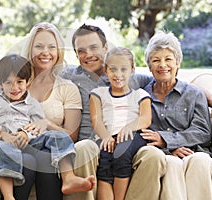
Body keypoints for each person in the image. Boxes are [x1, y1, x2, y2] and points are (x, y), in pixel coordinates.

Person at [61, 24, 166, 200]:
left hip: (127, 141)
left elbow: (166, 80)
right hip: (91, 143)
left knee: (152, 155)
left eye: (94, 47)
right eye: (81, 50)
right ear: (76, 53)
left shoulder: (128, 74)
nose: (88, 55)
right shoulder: (69, 76)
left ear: (105, 47)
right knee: (86, 148)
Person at [21, 22, 96, 200]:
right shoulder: (16, 85)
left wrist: (46, 124)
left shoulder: (67, 88)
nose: (45, 52)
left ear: (58, 51)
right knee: (31, 159)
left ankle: (67, 179)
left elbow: (71, 136)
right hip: (21, 146)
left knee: (46, 158)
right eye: (39, 46)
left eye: (51, 47)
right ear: (30, 49)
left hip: (50, 152)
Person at [141, 30, 212, 200]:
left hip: (194, 151)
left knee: (201, 160)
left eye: (168, 59)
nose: (162, 65)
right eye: (156, 60)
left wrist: (167, 139)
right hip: (163, 154)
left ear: (177, 63)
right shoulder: (141, 96)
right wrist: (168, 148)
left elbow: (202, 131)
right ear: (149, 66)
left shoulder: (194, 94)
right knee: (171, 163)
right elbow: (141, 133)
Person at [89, 47, 152, 200]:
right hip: (108, 136)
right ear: (106, 70)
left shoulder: (140, 94)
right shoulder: (98, 93)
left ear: (132, 70)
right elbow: (96, 120)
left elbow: (145, 119)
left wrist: (128, 127)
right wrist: (105, 137)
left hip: (133, 135)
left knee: (122, 151)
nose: (118, 74)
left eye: (124, 69)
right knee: (105, 159)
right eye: (113, 69)